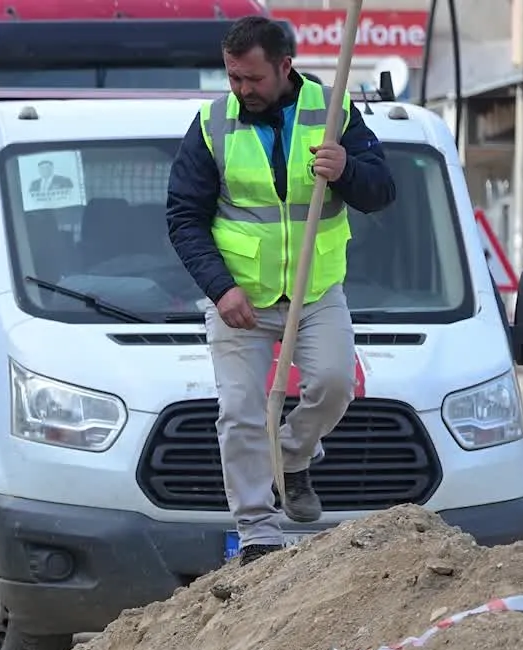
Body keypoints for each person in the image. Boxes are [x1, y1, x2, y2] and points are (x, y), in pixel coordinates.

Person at [167, 15, 396, 566]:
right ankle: (258, 533)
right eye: (233, 78)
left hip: (315, 292)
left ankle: (291, 459)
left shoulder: (334, 108)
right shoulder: (212, 122)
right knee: (240, 411)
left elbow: (381, 191)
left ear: (284, 67)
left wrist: (346, 170)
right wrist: (221, 289)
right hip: (240, 298)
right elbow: (183, 217)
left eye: (253, 79)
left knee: (335, 384)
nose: (242, 90)